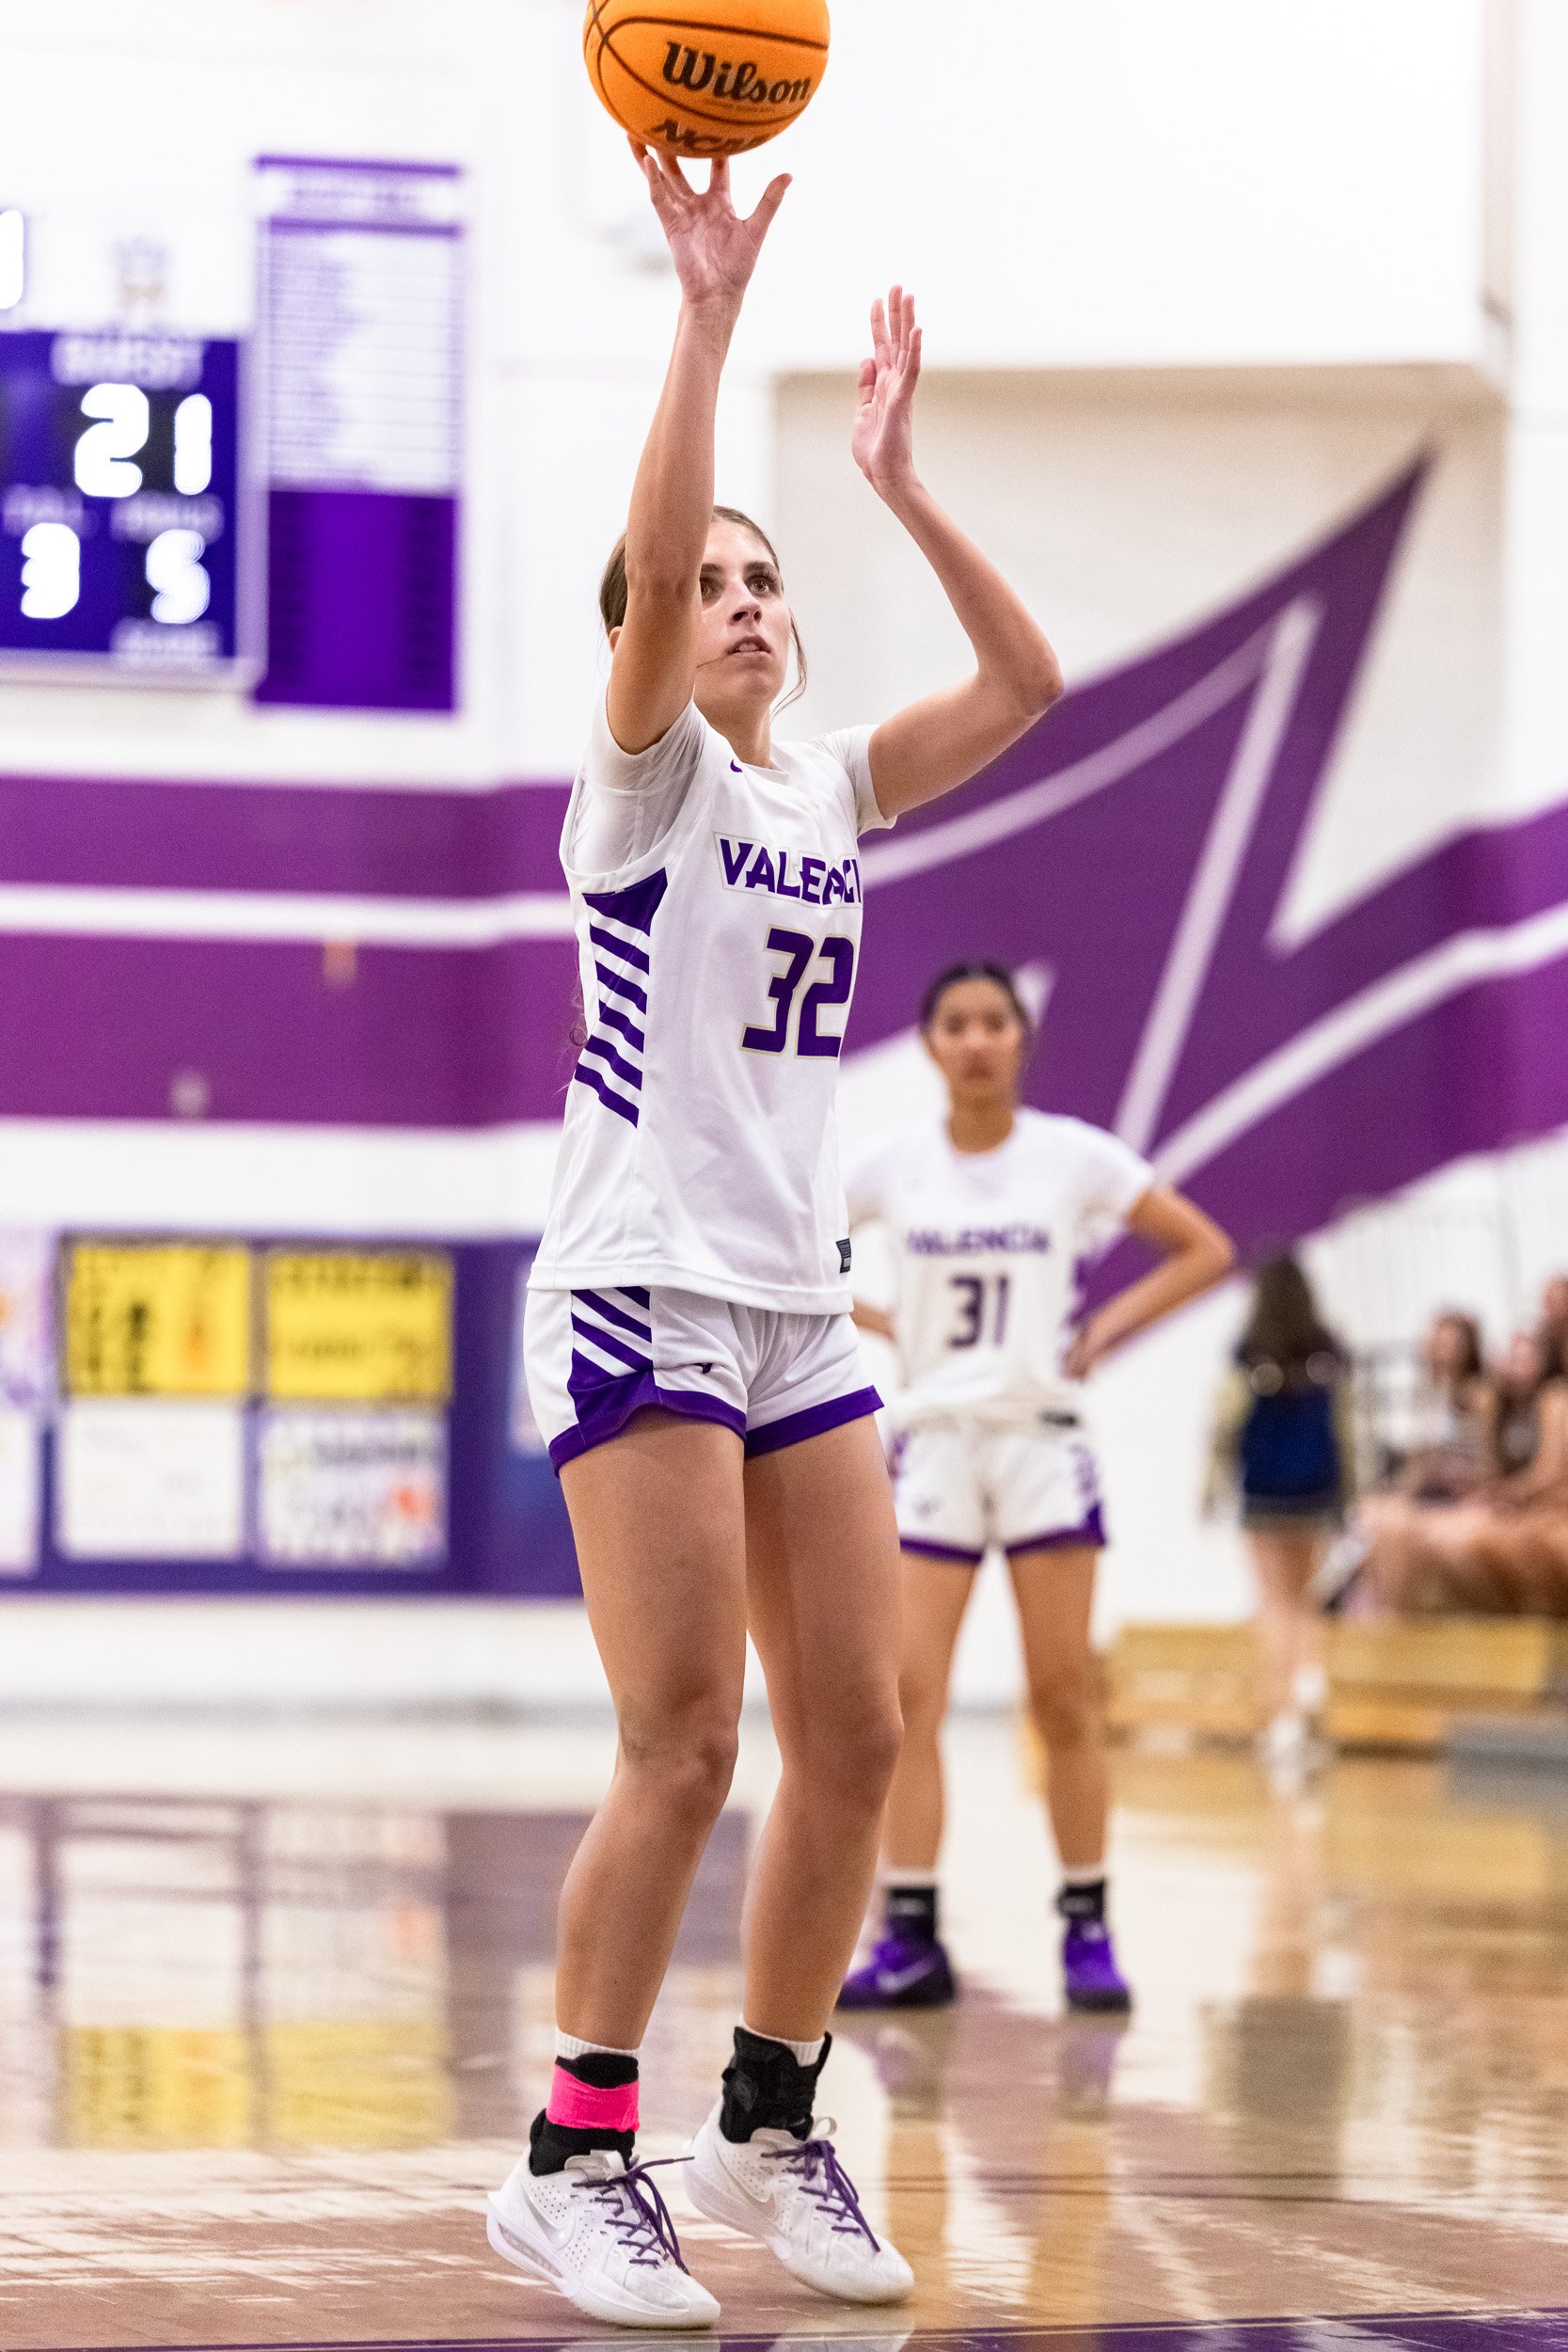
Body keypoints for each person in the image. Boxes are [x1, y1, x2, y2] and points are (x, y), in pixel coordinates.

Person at [486, 147, 1066, 2329]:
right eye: (703, 581)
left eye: (762, 577)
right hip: (637, 1283)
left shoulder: (823, 782)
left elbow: (1025, 683)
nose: (732, 596)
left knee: (860, 1731)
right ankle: (573, 2158)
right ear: (644, 634)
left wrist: (898, 484)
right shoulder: (645, 786)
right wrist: (708, 315)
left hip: (796, 1306)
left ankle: (766, 2113)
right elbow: (649, 564)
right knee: (684, 1739)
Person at [835, 961, 1233, 2016]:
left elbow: (1203, 1248)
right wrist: (879, 1321)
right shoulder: (892, 1164)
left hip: (1039, 1443)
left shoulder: (1069, 1156)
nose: (975, 1040)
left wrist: (1105, 1329)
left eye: (993, 1022)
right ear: (929, 1044)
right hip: (934, 1443)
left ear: (1021, 1038)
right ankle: (911, 1936)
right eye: (955, 1023)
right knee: (907, 1698)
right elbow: (796, 1248)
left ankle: (1086, 1928)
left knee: (1061, 1695)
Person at [1209, 1256, 1352, 1763]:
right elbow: (1346, 1427)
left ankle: (1284, 1718)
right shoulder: (1329, 1352)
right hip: (1316, 1490)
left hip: (1264, 1491)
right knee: (1307, 1599)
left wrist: (1210, 1488)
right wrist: (1350, 1492)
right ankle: (1310, 1683)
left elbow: (1224, 1425)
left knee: (1273, 1603)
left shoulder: (1247, 1354)